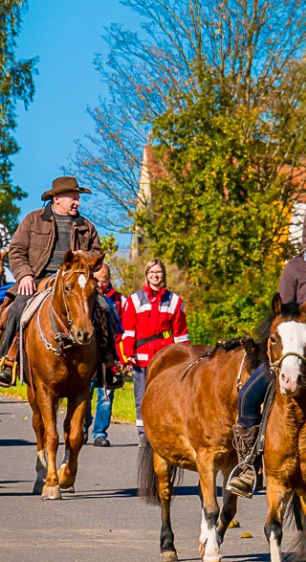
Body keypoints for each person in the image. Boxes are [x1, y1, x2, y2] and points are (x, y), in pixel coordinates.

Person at [226, 194, 306, 497]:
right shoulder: (296, 267)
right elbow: (282, 313)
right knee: (248, 393)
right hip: (299, 345)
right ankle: (249, 464)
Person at [0, 176, 108, 387]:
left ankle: (108, 364)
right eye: (73, 198)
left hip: (74, 281)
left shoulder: (87, 226)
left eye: (78, 198)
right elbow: (17, 250)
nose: (77, 202)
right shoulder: (33, 220)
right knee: (16, 309)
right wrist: (24, 275)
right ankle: (8, 360)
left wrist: (83, 256)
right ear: (57, 198)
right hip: (38, 278)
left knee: (105, 309)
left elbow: (97, 253)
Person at [121, 259, 188, 444]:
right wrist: (127, 356)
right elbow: (128, 331)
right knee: (142, 400)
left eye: (158, 272)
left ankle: (164, 437)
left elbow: (181, 335)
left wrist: (185, 359)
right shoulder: (134, 300)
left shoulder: (175, 301)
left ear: (163, 275)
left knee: (167, 399)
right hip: (141, 361)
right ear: (146, 275)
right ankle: (144, 439)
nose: (155, 275)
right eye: (151, 272)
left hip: (167, 362)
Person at [84, 263, 125, 447]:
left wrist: (120, 357)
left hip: (107, 358)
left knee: (105, 397)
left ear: (110, 279)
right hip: (89, 356)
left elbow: (124, 331)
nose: (101, 285)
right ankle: (83, 427)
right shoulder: (86, 298)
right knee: (85, 394)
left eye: (104, 280)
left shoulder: (119, 300)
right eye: (97, 281)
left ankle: (99, 433)